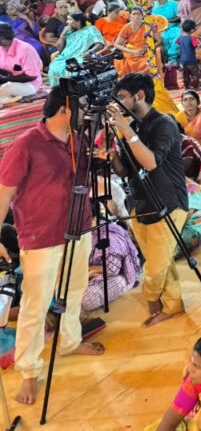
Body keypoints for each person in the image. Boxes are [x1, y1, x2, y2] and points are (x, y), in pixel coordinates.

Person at [0, 86, 104, 405]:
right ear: (64, 111)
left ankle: (69, 341)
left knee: (73, 290)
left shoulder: (79, 140)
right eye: (82, 107)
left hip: (78, 230)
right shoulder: (26, 145)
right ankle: (29, 371)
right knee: (36, 304)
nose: (87, 113)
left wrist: (100, 158)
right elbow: (3, 193)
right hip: (40, 237)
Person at [109, 73, 189, 327]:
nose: (118, 103)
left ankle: (154, 303)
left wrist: (124, 129)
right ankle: (174, 306)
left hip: (168, 203)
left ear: (139, 96)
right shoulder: (132, 126)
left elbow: (151, 162)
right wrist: (112, 157)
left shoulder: (164, 123)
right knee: (162, 262)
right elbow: (125, 170)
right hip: (140, 203)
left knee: (154, 267)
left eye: (122, 97)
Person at [81, 221, 142, 312]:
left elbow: (112, 270)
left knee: (85, 300)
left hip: (118, 276)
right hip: (93, 273)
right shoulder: (83, 234)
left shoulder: (110, 238)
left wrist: (88, 272)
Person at [47, 12, 104, 86]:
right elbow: (60, 48)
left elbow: (100, 44)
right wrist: (62, 35)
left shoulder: (91, 29)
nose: (67, 22)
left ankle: (73, 89)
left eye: (69, 19)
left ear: (78, 22)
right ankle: (58, 90)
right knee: (54, 67)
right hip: (65, 56)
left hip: (82, 55)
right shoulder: (69, 32)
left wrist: (90, 52)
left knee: (72, 68)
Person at [0, 22, 43, 97]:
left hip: (29, 84)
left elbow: (31, 76)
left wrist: (7, 80)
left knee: (7, 88)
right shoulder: (1, 48)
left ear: (2, 39)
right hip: (9, 80)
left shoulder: (25, 49)